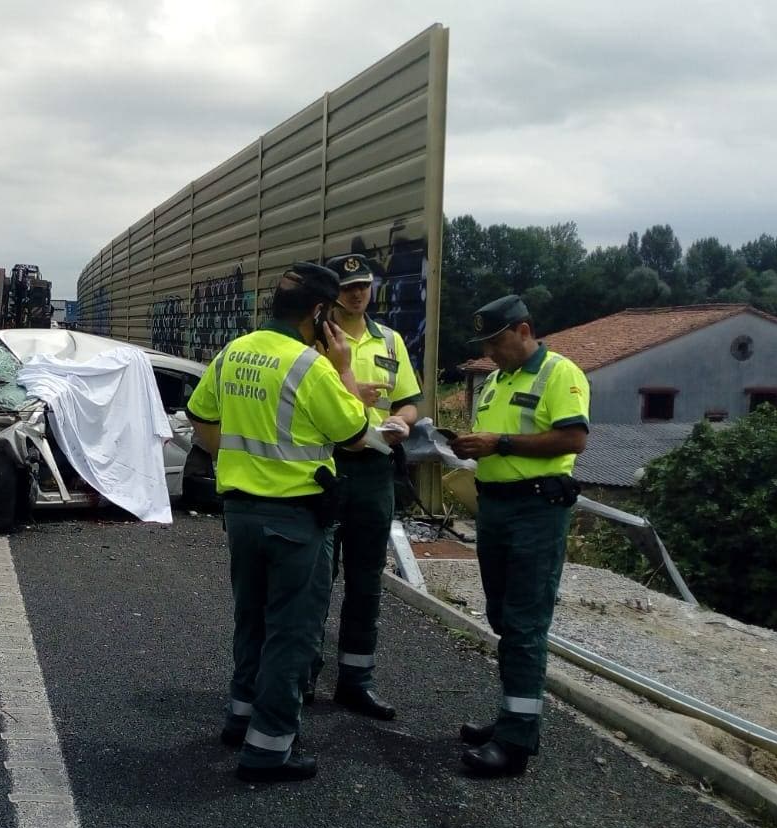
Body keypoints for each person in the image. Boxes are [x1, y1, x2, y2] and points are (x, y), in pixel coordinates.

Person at [185, 262, 370, 783]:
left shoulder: (233, 352)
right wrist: (344, 369)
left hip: (241, 512)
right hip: (297, 518)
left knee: (252, 617)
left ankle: (240, 717)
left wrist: (234, 459)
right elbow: (355, 431)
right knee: (292, 632)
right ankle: (269, 749)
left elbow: (200, 415)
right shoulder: (309, 367)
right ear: (318, 312)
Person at [451, 294, 590, 777]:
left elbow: (573, 438)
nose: (490, 352)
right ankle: (510, 715)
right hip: (495, 507)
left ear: (523, 330)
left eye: (497, 341)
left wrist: (500, 443)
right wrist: (470, 447)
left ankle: (515, 742)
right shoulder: (494, 382)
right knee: (503, 617)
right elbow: (493, 440)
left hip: (536, 508)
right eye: (486, 344)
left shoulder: (560, 374)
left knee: (526, 624)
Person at [303, 253, 422, 719]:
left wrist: (403, 422)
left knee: (367, 579)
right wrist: (351, 391)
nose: (357, 294)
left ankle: (356, 679)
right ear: (334, 292)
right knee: (316, 579)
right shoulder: (314, 341)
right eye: (349, 286)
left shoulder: (390, 341)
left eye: (364, 286)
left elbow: (410, 400)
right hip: (329, 465)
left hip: (375, 470)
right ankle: (305, 677)